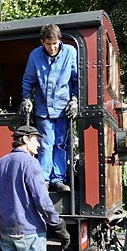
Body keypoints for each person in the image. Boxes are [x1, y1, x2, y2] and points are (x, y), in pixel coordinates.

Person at [19, 24, 78, 193]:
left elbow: (76, 80)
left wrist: (74, 100)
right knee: (45, 144)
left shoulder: (70, 52)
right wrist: (26, 98)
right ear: (42, 42)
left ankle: (58, 179)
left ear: (60, 40)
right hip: (43, 108)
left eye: (55, 43)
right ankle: (44, 179)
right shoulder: (35, 55)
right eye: (48, 44)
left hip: (63, 108)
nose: (52, 47)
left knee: (61, 144)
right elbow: (28, 79)